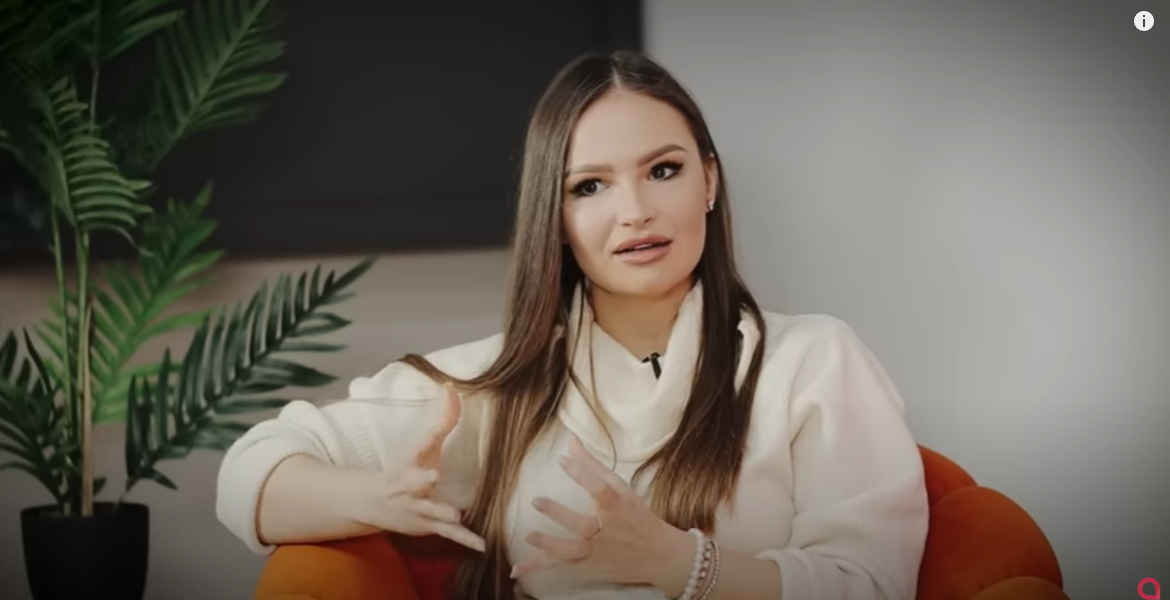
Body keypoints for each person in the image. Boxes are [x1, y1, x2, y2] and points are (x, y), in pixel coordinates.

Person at [215, 50, 929, 600]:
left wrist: (675, 562)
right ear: (554, 219)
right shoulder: (495, 387)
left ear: (709, 181)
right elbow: (249, 472)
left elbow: (872, 585)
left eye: (663, 170)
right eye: (589, 186)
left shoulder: (813, 361)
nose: (635, 211)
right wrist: (377, 498)